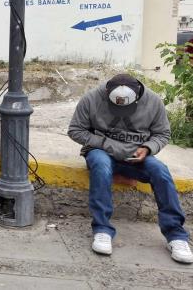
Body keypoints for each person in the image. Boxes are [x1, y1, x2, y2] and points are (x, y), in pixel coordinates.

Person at [68, 73, 193, 264]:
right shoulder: (92, 98)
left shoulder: (153, 101)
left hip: (137, 156)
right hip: (100, 151)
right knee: (101, 167)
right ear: (107, 93)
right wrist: (106, 144)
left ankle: (176, 235)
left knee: (161, 171)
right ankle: (102, 230)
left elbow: (162, 133)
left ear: (137, 96)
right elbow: (75, 130)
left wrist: (147, 148)